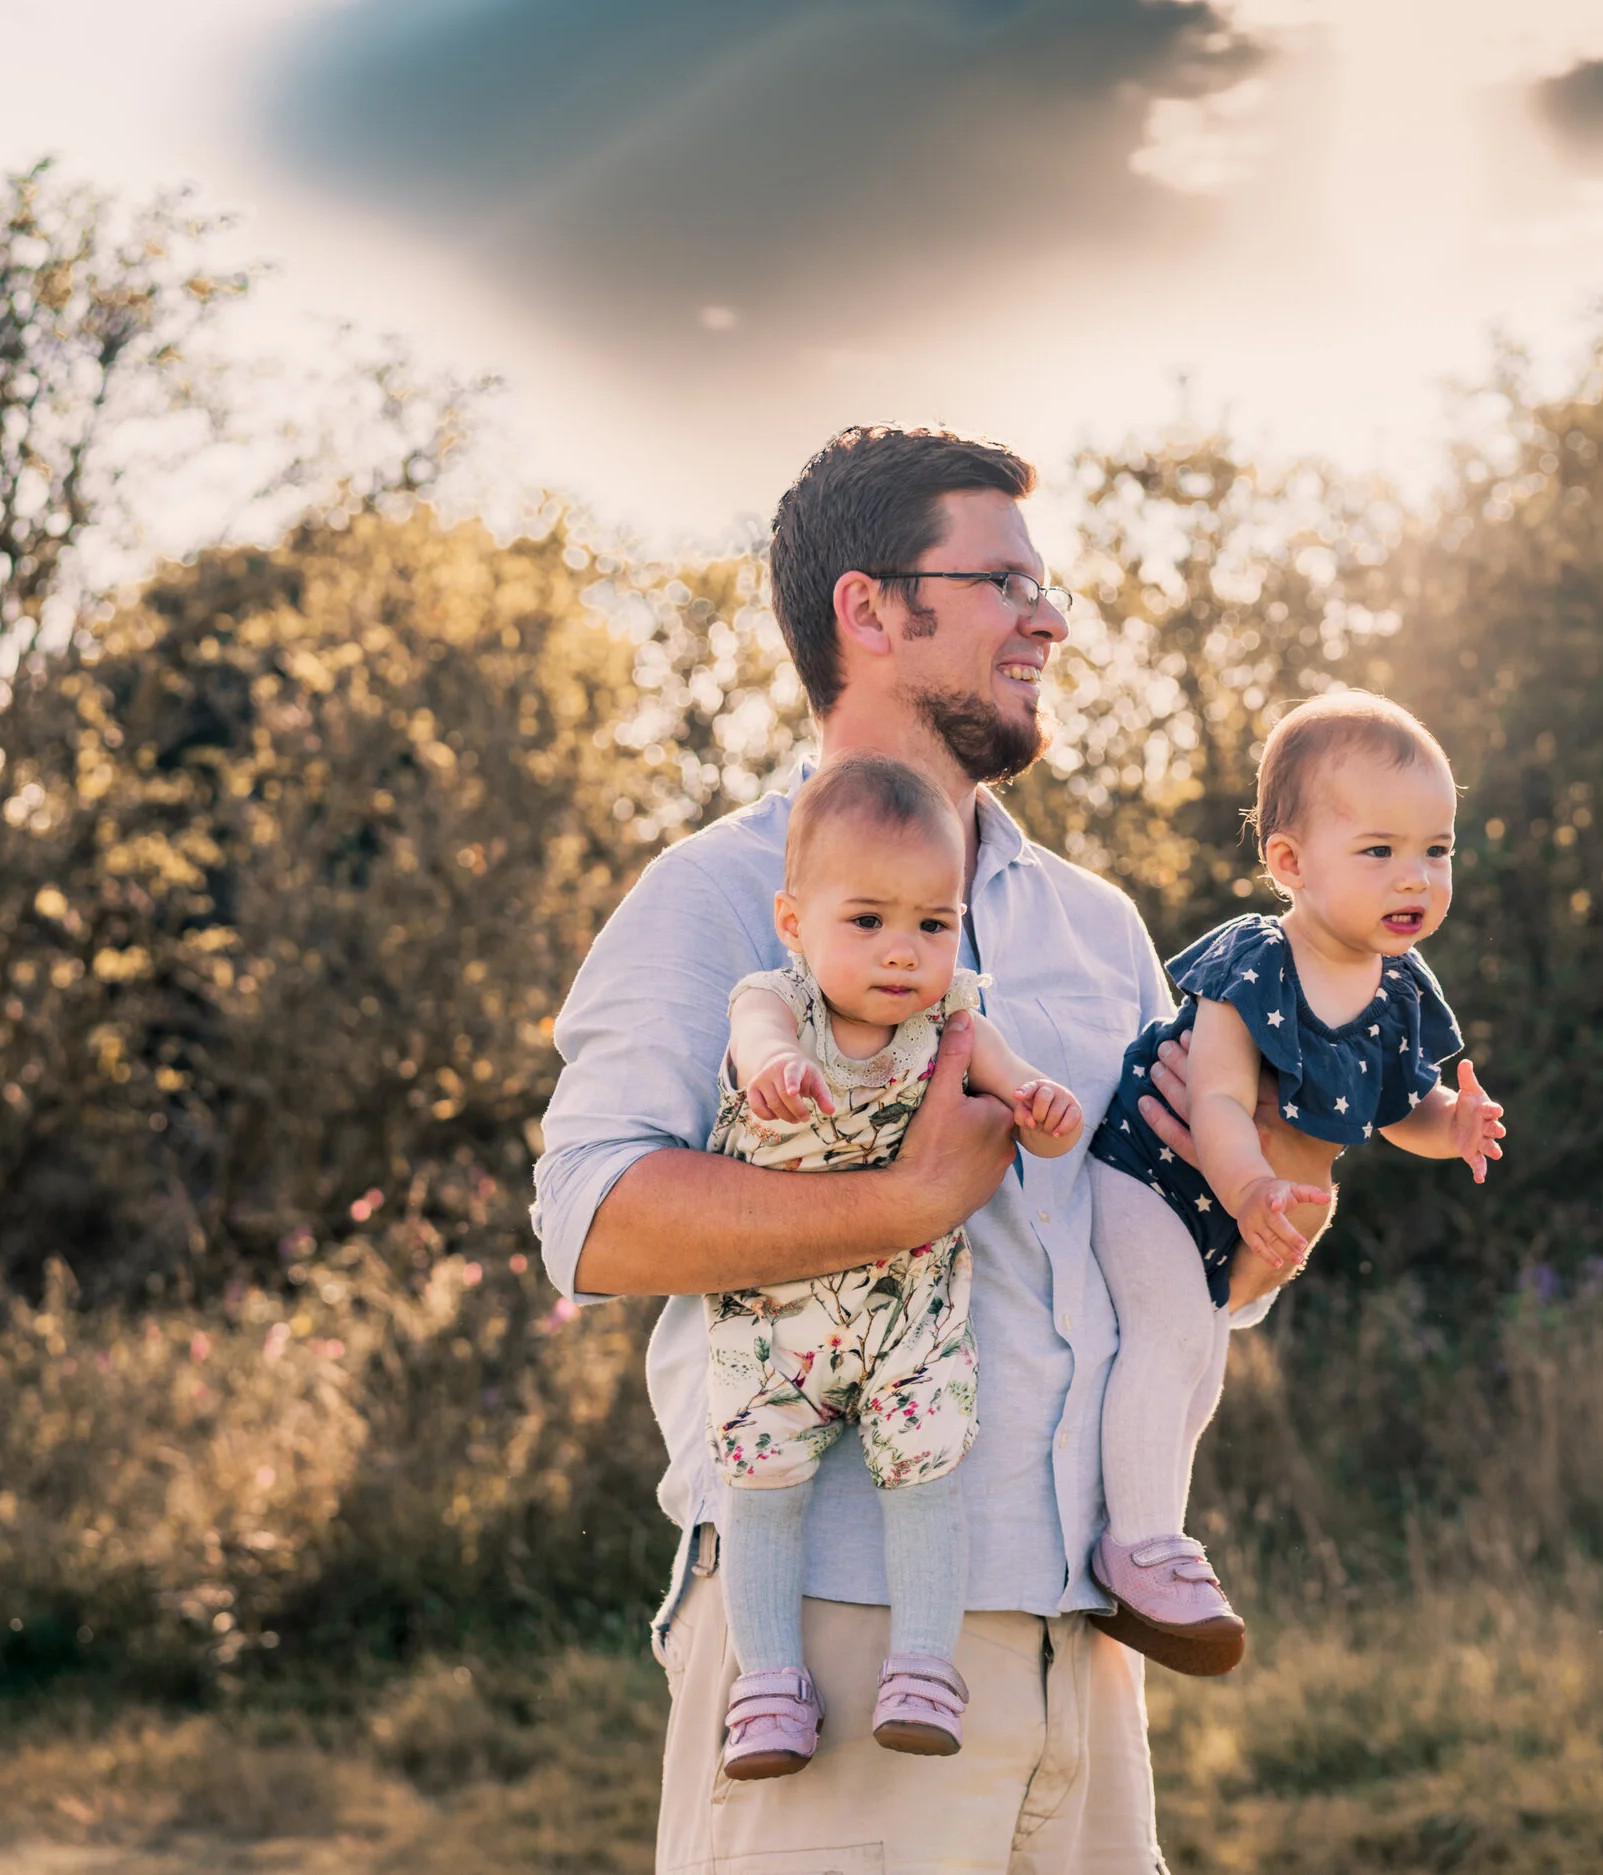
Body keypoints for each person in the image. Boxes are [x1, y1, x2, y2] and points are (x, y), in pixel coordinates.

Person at [532, 424, 1330, 1873]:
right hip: (830, 1644)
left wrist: (1260, 1237)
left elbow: (1153, 1264)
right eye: (1003, 581)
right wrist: (898, 1203)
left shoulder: (1096, 926)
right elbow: (591, 1216)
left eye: (1049, 584)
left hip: (1080, 1644)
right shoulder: (722, 891)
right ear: (870, 608)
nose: (1050, 617)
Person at [1083, 694, 1506, 1672]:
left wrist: (1457, 1125)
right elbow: (1220, 1105)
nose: (1415, 877)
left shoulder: (1400, 989)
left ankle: (1130, 1535)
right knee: (1171, 1335)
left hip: (1240, 1210)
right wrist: (1248, 1198)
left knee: (1194, 1372)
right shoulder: (1257, 960)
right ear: (1289, 864)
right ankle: (1140, 1545)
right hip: (1147, 1178)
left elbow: (1405, 1108)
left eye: (1435, 851)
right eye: (1378, 851)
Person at [705, 751, 1081, 1778]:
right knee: (762, 1487)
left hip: (908, 1313)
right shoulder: (776, 1003)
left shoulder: (953, 1019)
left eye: (931, 921)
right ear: (795, 922)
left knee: (924, 1478)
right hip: (772, 1322)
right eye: (866, 921)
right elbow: (755, 1040)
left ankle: (921, 1669)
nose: (902, 950)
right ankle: (768, 1686)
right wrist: (775, 1072)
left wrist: (1042, 1108)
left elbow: (1024, 1097)